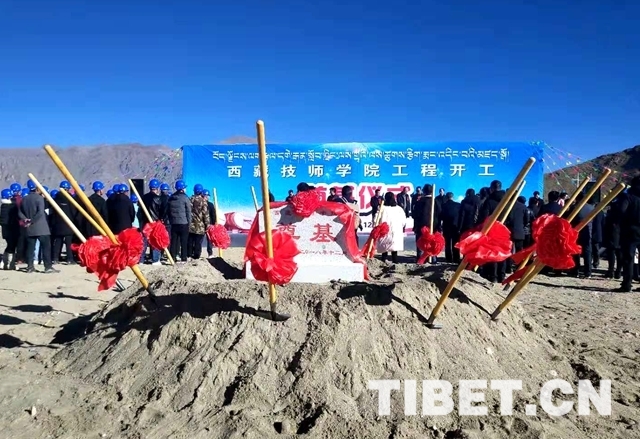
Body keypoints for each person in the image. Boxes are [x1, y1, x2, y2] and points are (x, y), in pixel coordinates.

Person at [18, 180, 58, 273]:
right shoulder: (39, 198)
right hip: (41, 228)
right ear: (37, 188)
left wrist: (26, 220)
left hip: (29, 228)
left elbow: (19, 212)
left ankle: (30, 266)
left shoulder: (24, 199)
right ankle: (48, 267)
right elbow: (40, 212)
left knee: (30, 248)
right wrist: (32, 221)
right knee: (46, 247)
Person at [477, 180, 507, 282]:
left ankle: (492, 276)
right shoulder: (507, 200)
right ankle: (501, 275)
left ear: (492, 188)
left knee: (492, 252)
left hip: (491, 229)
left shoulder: (489, 201)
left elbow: (484, 217)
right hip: (505, 230)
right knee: (502, 252)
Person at [412, 184, 441, 263]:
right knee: (432, 242)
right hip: (433, 226)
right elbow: (440, 214)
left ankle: (421, 259)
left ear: (424, 191)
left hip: (421, 226)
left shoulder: (420, 202)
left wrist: (416, 226)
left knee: (421, 242)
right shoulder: (436, 202)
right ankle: (433, 258)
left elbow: (415, 215)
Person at [50, 182, 77, 264]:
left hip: (58, 224)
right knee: (69, 242)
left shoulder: (56, 198)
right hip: (68, 224)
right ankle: (70, 259)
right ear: (67, 189)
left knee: (58, 241)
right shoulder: (70, 198)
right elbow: (73, 211)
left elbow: (53, 212)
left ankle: (55, 258)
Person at [569, 192, 594, 278]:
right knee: (587, 252)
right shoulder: (591, 208)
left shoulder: (574, 207)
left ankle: (575, 270)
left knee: (575, 251)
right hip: (588, 232)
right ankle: (588, 272)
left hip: (576, 232)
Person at [138, 179, 164, 265]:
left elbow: (140, 211)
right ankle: (155, 260)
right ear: (157, 188)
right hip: (155, 222)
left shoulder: (144, 198)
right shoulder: (158, 198)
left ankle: (141, 260)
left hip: (145, 222)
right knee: (155, 240)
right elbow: (161, 211)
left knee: (144, 241)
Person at [377, 192, 406, 264]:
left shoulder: (382, 208)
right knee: (394, 247)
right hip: (395, 231)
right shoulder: (399, 209)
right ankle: (395, 260)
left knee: (384, 246)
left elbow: (376, 219)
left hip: (385, 230)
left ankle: (384, 259)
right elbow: (403, 221)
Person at [167, 180, 192, 263]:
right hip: (183, 223)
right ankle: (183, 258)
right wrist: (189, 223)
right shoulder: (185, 198)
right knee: (184, 242)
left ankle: (172, 257)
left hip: (174, 223)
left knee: (174, 241)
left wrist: (171, 220)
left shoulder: (171, 198)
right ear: (182, 188)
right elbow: (188, 211)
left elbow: (168, 211)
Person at [505, 196, 529, 273]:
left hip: (509, 230)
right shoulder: (523, 206)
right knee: (519, 250)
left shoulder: (507, 205)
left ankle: (508, 267)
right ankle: (519, 267)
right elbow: (527, 219)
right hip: (520, 231)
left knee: (509, 250)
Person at [188, 184, 209, 260]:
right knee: (198, 242)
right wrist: (207, 224)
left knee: (190, 241)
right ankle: (196, 256)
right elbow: (205, 214)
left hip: (190, 225)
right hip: (200, 226)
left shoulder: (189, 199)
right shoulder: (203, 201)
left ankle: (189, 254)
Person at [603, 196, 622, 279]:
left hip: (612, 235)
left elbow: (606, 225)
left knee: (611, 254)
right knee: (619, 254)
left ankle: (611, 271)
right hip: (621, 235)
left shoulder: (610, 216)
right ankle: (618, 272)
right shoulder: (623, 215)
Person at [1, 188, 20, 270]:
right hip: (11, 230)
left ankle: (5, 262)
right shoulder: (11, 206)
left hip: (5, 231)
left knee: (9, 246)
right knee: (11, 247)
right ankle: (10, 264)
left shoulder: (3, 206)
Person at [439, 192, 461, 263]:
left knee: (447, 243)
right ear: (452, 197)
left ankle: (448, 258)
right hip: (455, 226)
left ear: (446, 197)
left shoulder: (443, 206)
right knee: (455, 242)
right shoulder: (458, 205)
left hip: (446, 226)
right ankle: (456, 257)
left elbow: (441, 216)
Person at [203, 189, 217, 258]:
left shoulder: (200, 204)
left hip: (202, 225)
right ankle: (210, 254)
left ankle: (196, 253)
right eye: (207, 195)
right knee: (209, 240)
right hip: (208, 224)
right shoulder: (210, 205)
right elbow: (213, 215)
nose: (207, 197)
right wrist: (213, 224)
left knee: (200, 240)